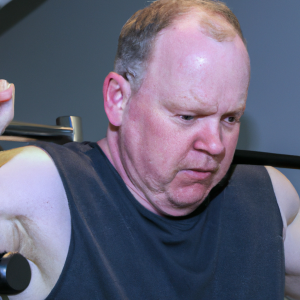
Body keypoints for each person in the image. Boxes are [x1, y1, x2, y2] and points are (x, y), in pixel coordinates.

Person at [0, 0, 299, 299]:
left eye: (230, 118)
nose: (215, 145)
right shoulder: (44, 188)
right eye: (187, 116)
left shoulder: (269, 196)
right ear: (118, 99)